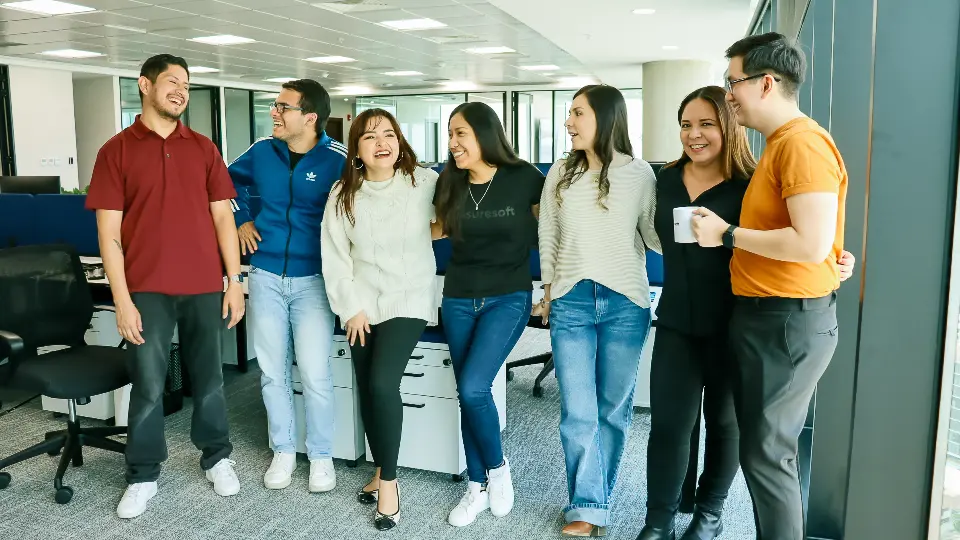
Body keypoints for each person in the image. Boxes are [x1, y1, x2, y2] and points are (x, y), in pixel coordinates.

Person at [636, 86, 856, 540]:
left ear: (729, 126)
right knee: (669, 426)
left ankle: (710, 515)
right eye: (685, 125)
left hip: (734, 323)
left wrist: (837, 259)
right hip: (676, 321)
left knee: (725, 426)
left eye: (706, 124)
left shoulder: (750, 183)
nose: (694, 134)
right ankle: (658, 521)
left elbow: (801, 234)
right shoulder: (664, 179)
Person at [691, 32, 849, 540]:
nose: (728, 94)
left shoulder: (802, 144)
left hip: (785, 322)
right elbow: (815, 240)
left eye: (732, 82)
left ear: (765, 83)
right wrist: (829, 257)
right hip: (769, 316)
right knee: (767, 453)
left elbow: (809, 242)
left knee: (767, 455)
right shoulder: (780, 144)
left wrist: (727, 234)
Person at [86, 54, 244, 519]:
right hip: (146, 289)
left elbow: (223, 218)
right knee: (149, 384)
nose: (181, 91)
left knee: (210, 379)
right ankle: (142, 474)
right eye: (172, 81)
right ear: (144, 85)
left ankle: (216, 456)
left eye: (187, 85)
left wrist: (234, 281)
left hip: (203, 285)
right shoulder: (116, 151)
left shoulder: (203, 148)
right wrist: (121, 300)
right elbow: (108, 235)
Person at [538, 84, 660, 538]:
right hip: (570, 300)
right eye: (569, 113)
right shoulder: (560, 172)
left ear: (606, 118)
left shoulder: (640, 174)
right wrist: (548, 290)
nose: (568, 122)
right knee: (578, 412)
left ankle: (593, 502)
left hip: (626, 303)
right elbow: (548, 234)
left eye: (578, 113)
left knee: (612, 409)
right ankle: (589, 506)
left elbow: (653, 236)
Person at [320, 108, 439, 531]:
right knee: (368, 388)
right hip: (361, 303)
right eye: (370, 137)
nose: (382, 143)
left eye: (389, 134)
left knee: (383, 383)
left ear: (400, 141)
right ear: (356, 149)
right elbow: (335, 255)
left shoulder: (423, 181)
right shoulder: (343, 194)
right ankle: (379, 470)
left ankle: (389, 483)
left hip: (409, 297)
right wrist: (350, 307)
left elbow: (450, 220)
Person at [228, 79, 345, 493]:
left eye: (283, 107)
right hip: (264, 275)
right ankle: (283, 450)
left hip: (314, 280)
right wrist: (242, 218)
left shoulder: (337, 159)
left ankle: (321, 455)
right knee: (272, 372)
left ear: (309, 117)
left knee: (314, 372)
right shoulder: (263, 151)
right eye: (275, 105)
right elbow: (224, 181)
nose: (274, 113)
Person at [432, 102, 545, 527]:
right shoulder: (449, 181)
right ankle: (476, 486)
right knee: (468, 392)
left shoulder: (524, 177)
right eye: (449, 134)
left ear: (484, 134)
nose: (452, 142)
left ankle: (497, 470)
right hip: (459, 297)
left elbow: (551, 232)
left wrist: (552, 288)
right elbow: (437, 230)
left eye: (460, 133)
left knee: (473, 386)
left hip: (508, 296)